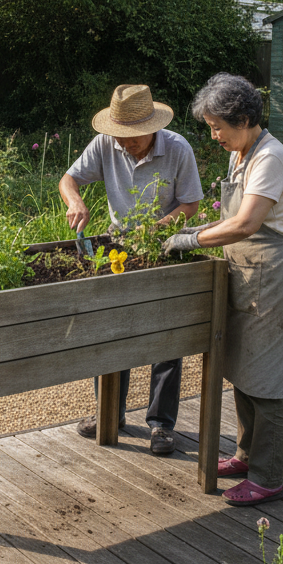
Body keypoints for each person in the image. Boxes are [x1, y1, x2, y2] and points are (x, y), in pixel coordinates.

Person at [162, 73, 283, 505]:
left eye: (217, 127)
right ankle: (246, 456)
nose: (214, 136)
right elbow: (233, 219)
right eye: (210, 127)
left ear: (243, 119)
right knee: (246, 371)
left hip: (278, 277)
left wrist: (191, 240)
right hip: (250, 274)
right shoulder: (241, 153)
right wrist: (194, 229)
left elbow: (247, 224)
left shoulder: (271, 158)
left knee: (269, 380)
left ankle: (267, 478)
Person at [59, 83, 204, 455]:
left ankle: (161, 425)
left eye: (132, 137)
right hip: (118, 249)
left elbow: (191, 204)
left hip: (164, 248)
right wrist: (75, 201)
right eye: (119, 136)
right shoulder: (106, 144)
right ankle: (110, 412)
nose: (125, 144)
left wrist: (157, 229)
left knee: (165, 339)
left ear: (152, 127)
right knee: (111, 331)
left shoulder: (178, 149)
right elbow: (68, 179)